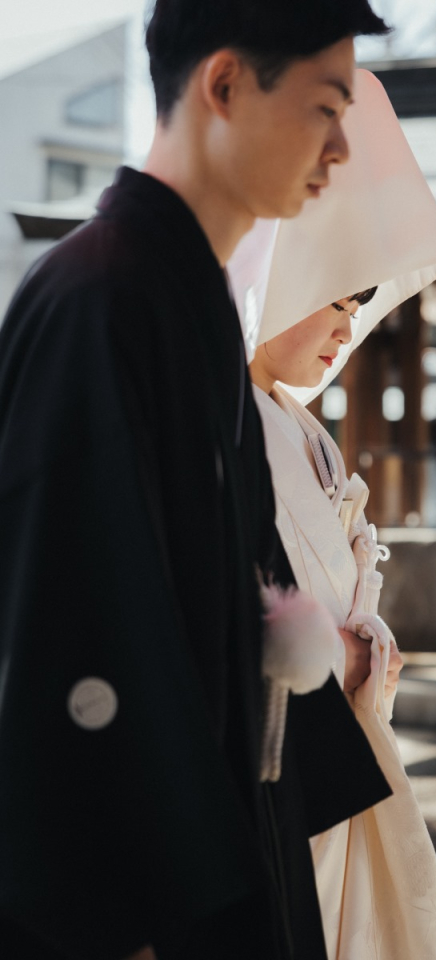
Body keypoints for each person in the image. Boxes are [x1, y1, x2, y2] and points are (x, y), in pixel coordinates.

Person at [0, 4, 393, 960]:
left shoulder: (195, 311)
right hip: (142, 900)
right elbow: (68, 649)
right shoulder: (94, 302)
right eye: (324, 107)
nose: (339, 148)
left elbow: (243, 621)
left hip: (225, 840)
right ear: (223, 85)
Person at [239, 69, 436, 959]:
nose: (348, 327)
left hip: (343, 734)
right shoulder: (222, 414)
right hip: (279, 750)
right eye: (338, 298)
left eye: (359, 306)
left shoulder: (303, 426)